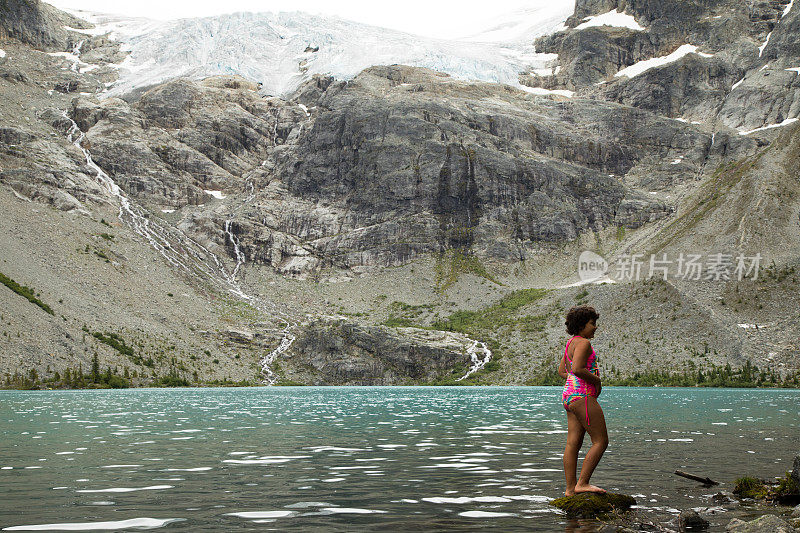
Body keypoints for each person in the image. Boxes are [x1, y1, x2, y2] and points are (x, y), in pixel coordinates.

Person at [558, 305, 608, 496]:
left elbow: (563, 371)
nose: (595, 327)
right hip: (583, 397)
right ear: (582, 325)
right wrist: (597, 381)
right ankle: (583, 483)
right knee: (601, 441)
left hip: (569, 396)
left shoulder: (570, 343)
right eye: (592, 323)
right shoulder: (584, 344)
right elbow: (578, 369)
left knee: (572, 443)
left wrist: (575, 382)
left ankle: (570, 489)